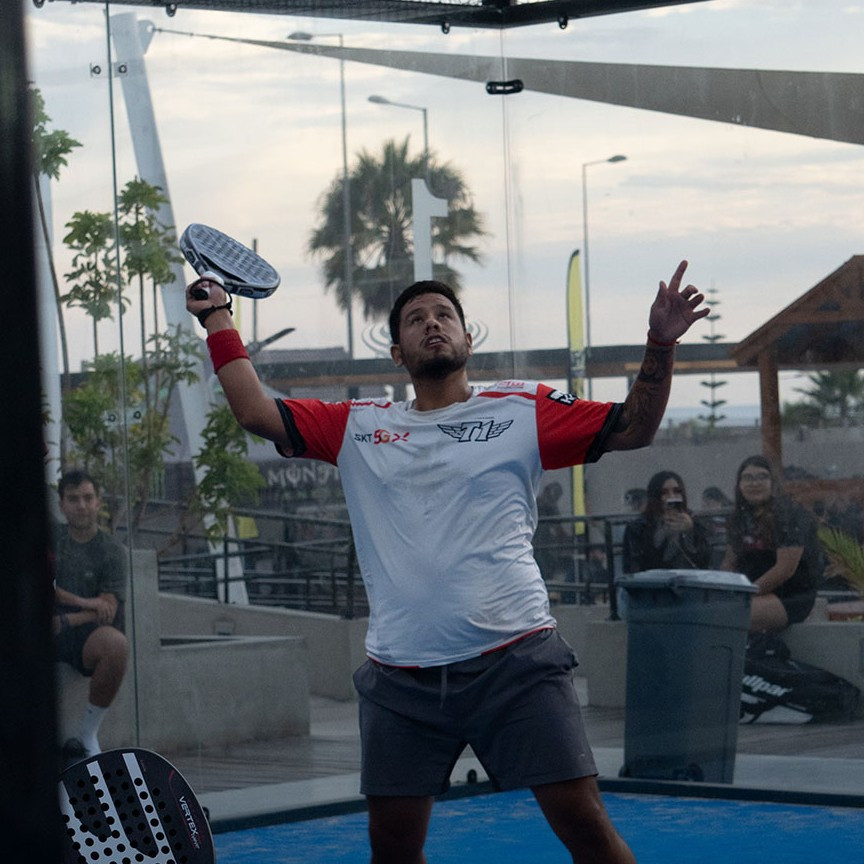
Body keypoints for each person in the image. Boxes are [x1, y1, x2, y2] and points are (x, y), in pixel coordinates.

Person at [187, 259, 708, 864]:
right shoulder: (357, 426)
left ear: (467, 338)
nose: (432, 324)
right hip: (399, 680)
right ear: (397, 353)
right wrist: (218, 317)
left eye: (444, 315)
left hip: (518, 665)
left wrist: (660, 343)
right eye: (415, 319)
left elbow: (635, 427)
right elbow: (255, 411)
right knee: (393, 849)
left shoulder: (524, 408)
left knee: (586, 829)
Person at [53, 470, 129, 763]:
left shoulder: (111, 550)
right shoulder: (53, 539)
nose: (81, 506)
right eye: (73, 499)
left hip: (87, 634)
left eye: (88, 498)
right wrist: (87, 603)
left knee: (116, 645)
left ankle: (87, 734)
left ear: (98, 502)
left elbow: (108, 607)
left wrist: (67, 620)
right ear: (61, 504)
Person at [721, 455, 823, 634]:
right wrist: (719, 590)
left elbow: (785, 570)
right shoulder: (738, 519)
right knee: (709, 612)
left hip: (790, 595)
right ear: (739, 485)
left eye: (762, 477)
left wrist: (746, 594)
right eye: (748, 478)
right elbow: (730, 563)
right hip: (750, 593)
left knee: (730, 615)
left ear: (773, 482)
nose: (755, 483)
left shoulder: (790, 515)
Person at [621, 470, 711, 574]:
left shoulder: (694, 522)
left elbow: (705, 561)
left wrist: (690, 532)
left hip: (688, 579)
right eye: (664, 493)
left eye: (677, 491)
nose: (671, 497)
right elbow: (636, 566)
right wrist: (661, 535)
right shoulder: (638, 527)